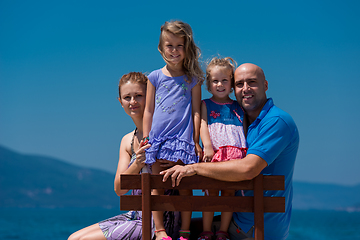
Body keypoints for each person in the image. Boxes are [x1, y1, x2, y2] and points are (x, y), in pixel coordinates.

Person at [161, 63, 299, 240]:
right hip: (241, 216)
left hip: (255, 228)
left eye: (252, 82)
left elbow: (249, 168)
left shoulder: (276, 121)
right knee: (178, 229)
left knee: (181, 230)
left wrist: (194, 168)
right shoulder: (245, 121)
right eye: (240, 84)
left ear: (265, 85)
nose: (245, 88)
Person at [68, 72, 180, 240]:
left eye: (139, 96)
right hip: (135, 216)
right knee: (73, 238)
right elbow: (119, 189)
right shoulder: (127, 141)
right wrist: (137, 163)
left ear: (150, 97)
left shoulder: (163, 134)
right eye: (127, 97)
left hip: (160, 222)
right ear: (120, 102)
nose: (133, 102)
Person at [143, 20, 204, 240]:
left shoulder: (193, 79)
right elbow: (148, 110)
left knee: (185, 186)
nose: (174, 51)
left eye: (179, 46)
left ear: (187, 48)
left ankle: (185, 231)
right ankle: (159, 231)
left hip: (182, 141)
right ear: (161, 48)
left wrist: (196, 140)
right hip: (158, 140)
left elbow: (196, 111)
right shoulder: (154, 77)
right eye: (170, 45)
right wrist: (146, 137)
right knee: (157, 185)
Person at [198, 57, 247, 240]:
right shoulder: (206, 104)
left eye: (225, 80)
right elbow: (203, 125)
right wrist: (208, 146)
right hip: (215, 153)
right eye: (215, 81)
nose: (220, 84)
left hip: (235, 155)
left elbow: (244, 129)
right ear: (209, 85)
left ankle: (222, 231)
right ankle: (206, 231)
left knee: (229, 194)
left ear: (232, 84)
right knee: (210, 193)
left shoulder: (237, 106)